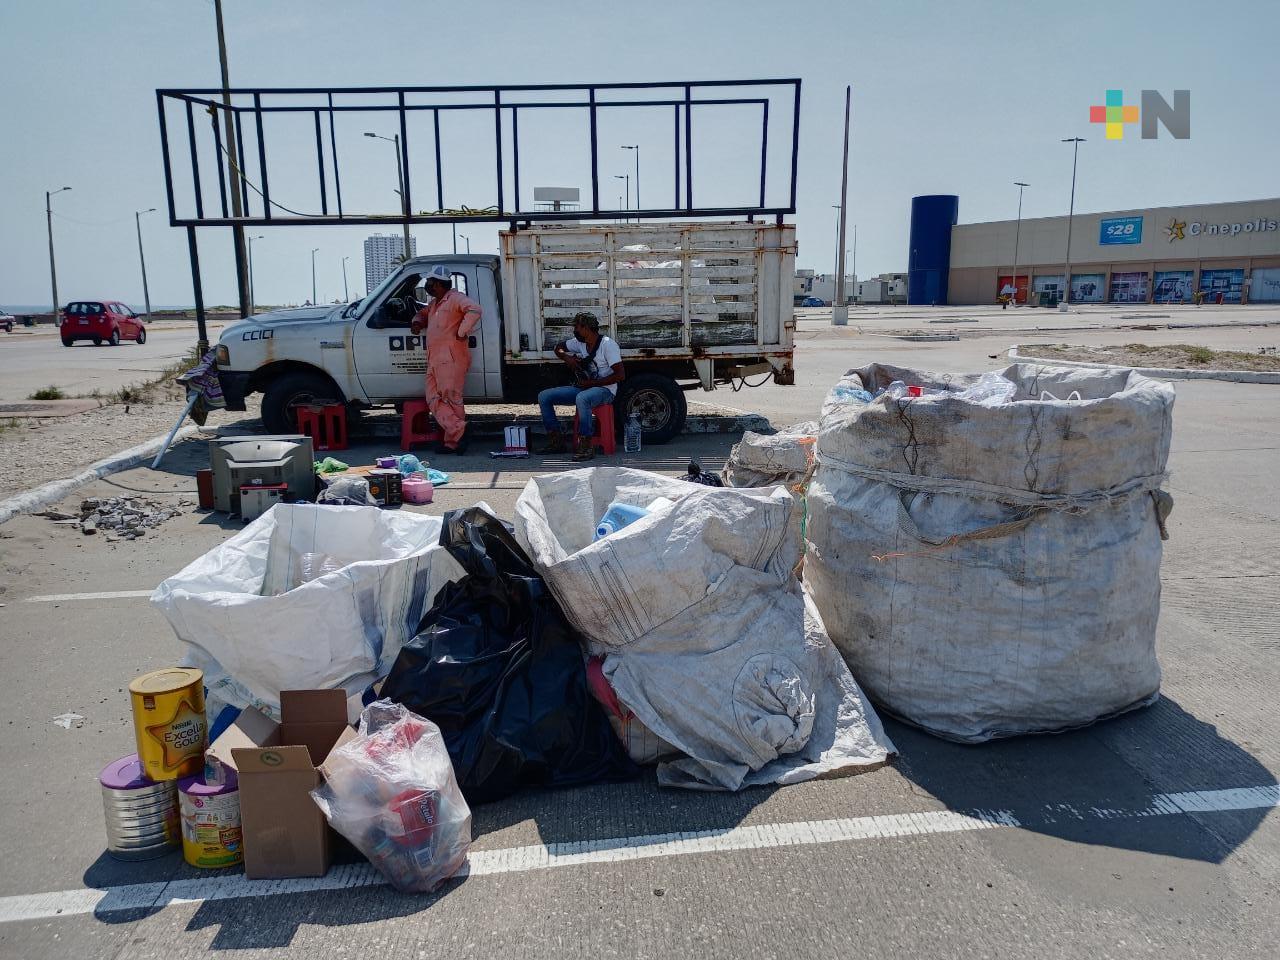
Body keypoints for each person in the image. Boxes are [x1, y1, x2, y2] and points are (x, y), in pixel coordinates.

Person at [410, 264, 482, 454]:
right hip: (435, 359)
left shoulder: (455, 299)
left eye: (430, 282)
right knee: (433, 398)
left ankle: (452, 443)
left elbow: (474, 310)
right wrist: (417, 321)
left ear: (440, 284)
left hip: (451, 359)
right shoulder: (435, 304)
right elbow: (422, 313)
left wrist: (462, 331)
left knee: (451, 399)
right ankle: (459, 429)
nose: (428, 285)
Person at [537, 312, 625, 461]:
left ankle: (586, 445)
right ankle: (556, 440)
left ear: (587, 328)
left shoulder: (608, 345)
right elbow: (558, 347)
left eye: (577, 328)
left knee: (582, 398)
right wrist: (567, 357)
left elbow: (620, 375)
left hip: (606, 391)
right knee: (544, 396)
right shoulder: (580, 343)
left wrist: (592, 383)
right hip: (585, 387)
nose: (575, 332)